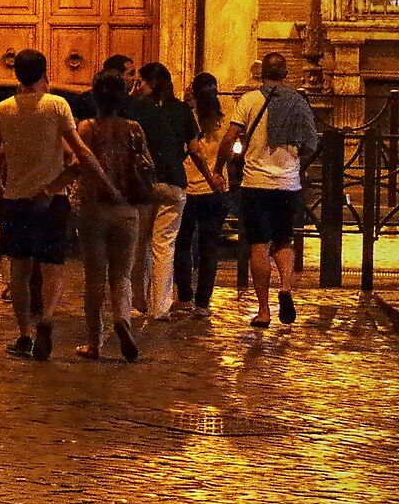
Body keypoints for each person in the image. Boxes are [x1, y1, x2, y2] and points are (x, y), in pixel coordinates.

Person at [0, 47, 118, 362]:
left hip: (16, 199)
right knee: (52, 268)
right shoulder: (57, 105)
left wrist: (1, 193)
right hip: (51, 201)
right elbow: (81, 151)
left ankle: (24, 335)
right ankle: (46, 318)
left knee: (18, 271)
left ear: (15, 73)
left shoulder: (1, 110)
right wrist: (106, 183)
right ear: (45, 73)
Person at [229, 52, 322, 327]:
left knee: (259, 244)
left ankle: (263, 310)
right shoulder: (298, 102)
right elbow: (311, 141)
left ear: (262, 74)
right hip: (289, 184)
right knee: (283, 241)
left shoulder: (250, 100)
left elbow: (231, 137)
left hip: (256, 184)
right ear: (286, 74)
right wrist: (297, 165)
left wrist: (220, 165)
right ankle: (285, 288)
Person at [76, 71, 153, 361]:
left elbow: (78, 164)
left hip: (93, 208)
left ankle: (94, 343)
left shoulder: (87, 128)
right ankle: (122, 319)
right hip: (127, 209)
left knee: (94, 277)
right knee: (121, 276)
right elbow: (147, 164)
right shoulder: (134, 129)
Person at [128, 62, 214, 324]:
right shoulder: (182, 111)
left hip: (143, 184)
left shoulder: (137, 110)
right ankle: (161, 307)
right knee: (164, 245)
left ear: (150, 84)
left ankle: (137, 303)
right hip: (174, 183)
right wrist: (211, 178)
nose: (137, 86)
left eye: (140, 82)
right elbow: (195, 150)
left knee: (140, 243)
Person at [172, 72, 234, 319]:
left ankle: (185, 296)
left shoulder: (186, 117)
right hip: (216, 189)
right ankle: (203, 302)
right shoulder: (223, 118)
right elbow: (229, 149)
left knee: (183, 243)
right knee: (209, 246)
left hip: (188, 188)